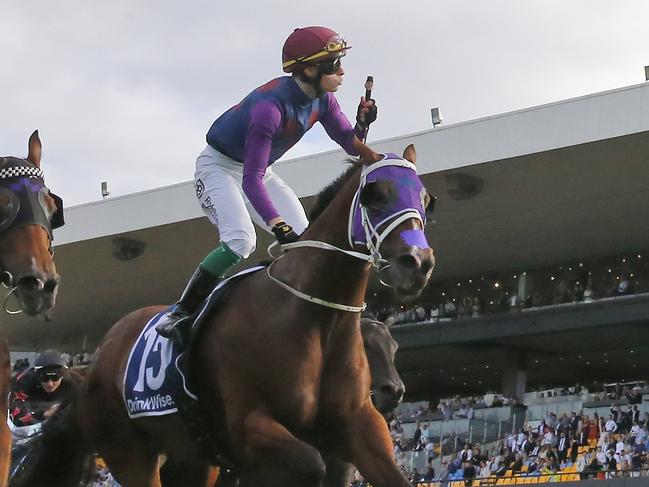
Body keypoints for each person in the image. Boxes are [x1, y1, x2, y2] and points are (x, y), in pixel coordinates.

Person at [156, 26, 377, 345]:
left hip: (256, 171)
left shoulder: (323, 100)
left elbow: (347, 141)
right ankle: (181, 311)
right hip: (219, 167)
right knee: (239, 241)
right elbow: (251, 180)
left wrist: (362, 128)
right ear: (310, 69)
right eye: (334, 65)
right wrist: (278, 225)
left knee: (308, 242)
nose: (342, 71)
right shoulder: (268, 109)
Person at [10, 350, 74, 426]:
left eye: (55, 378)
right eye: (44, 378)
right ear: (38, 376)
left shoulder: (72, 383)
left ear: (62, 376)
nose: (50, 384)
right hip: (31, 402)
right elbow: (15, 418)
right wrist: (43, 414)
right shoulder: (24, 382)